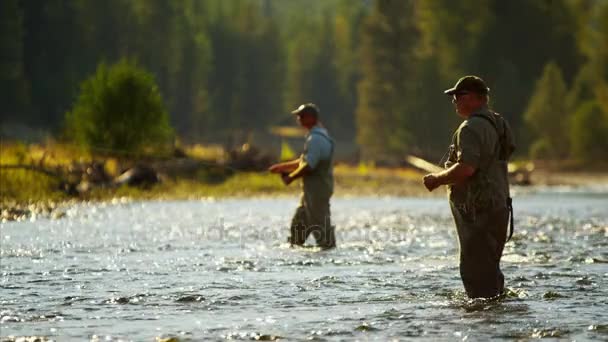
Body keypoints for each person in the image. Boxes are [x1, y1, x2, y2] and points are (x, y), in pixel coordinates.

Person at [423, 76, 515, 298]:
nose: (454, 100)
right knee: (490, 269)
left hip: (478, 210)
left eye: (459, 95)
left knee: (475, 272)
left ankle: (482, 326)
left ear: (477, 98)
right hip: (499, 206)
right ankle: (496, 317)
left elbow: (467, 169)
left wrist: (436, 179)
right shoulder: (499, 123)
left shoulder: (470, 128)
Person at [269, 103, 336, 249]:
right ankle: (295, 256)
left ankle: (330, 260)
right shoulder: (317, 136)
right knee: (297, 229)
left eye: (301, 116)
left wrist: (290, 177)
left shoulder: (316, 139)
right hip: (310, 193)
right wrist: (282, 167)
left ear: (311, 118)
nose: (298, 119)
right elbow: (303, 161)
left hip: (317, 192)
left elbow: (309, 166)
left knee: (323, 233)